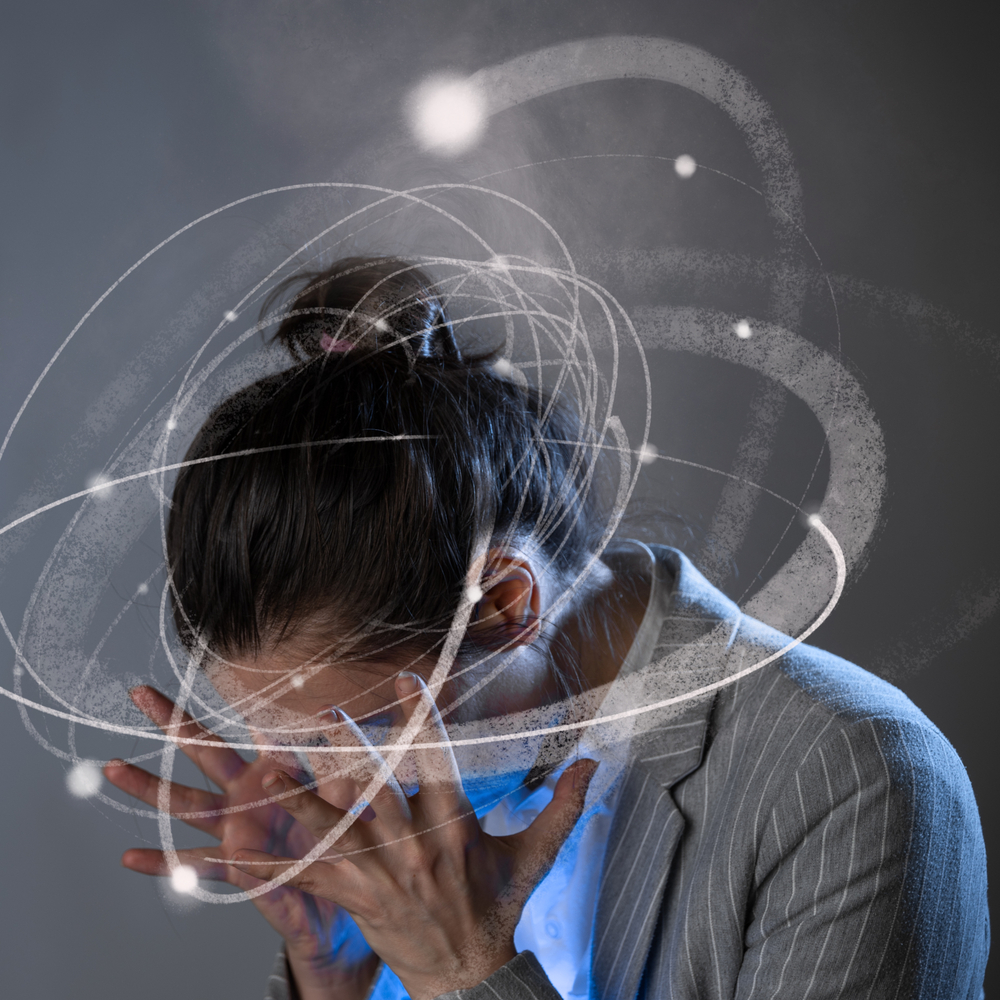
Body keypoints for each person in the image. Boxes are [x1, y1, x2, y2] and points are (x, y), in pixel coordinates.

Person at [103, 257, 988, 1000]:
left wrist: (460, 972)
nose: (337, 803)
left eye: (361, 732)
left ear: (502, 605)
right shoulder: (398, 843)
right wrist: (341, 973)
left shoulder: (850, 778)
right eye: (299, 753)